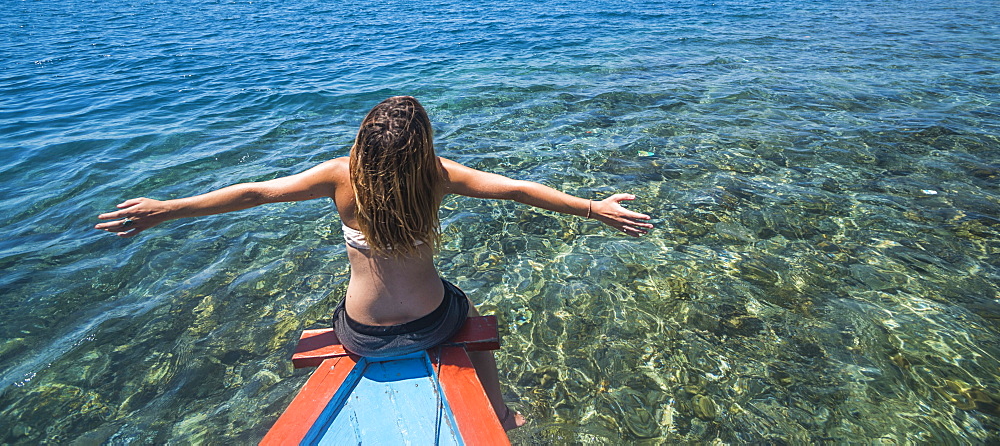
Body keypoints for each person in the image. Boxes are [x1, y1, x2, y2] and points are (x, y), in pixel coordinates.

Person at [96, 95, 652, 431]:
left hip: (359, 333)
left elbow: (255, 193)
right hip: (432, 323)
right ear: (422, 146)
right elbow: (515, 190)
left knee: (351, 297)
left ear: (364, 140)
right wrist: (592, 207)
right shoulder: (436, 174)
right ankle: (500, 411)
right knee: (470, 308)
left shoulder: (342, 175)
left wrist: (166, 209)